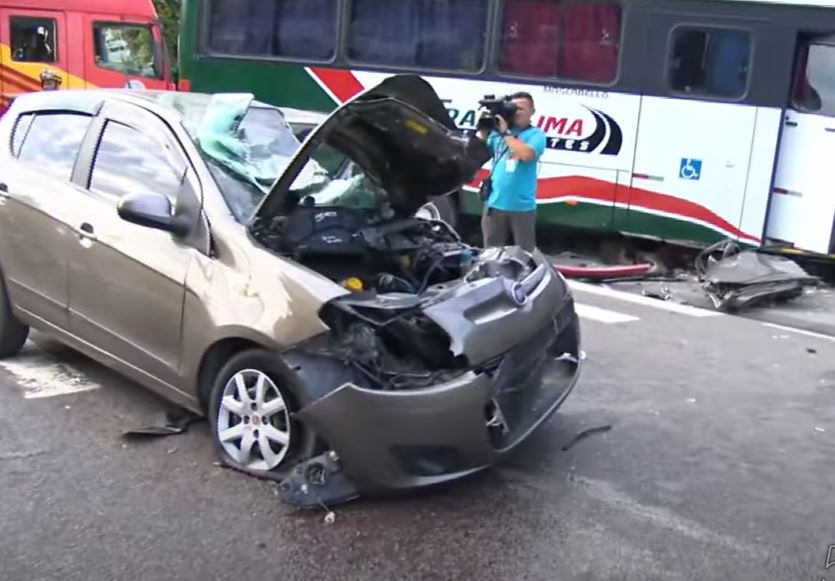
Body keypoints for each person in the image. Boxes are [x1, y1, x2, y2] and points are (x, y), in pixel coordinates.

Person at [476, 92, 546, 252]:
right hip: (494, 203)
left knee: (524, 254)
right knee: (491, 252)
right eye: (513, 108)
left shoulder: (536, 135)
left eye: (520, 109)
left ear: (532, 112)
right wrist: (483, 131)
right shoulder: (498, 133)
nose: (516, 112)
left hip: (521, 207)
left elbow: (526, 155)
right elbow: (479, 153)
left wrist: (505, 134)